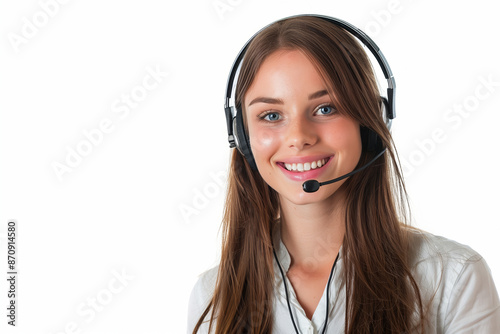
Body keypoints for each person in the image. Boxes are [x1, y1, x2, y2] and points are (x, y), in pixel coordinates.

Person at [187, 15, 500, 333]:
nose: (299, 137)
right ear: (242, 136)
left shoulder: (453, 279)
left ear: (369, 124)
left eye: (325, 109)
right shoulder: (213, 297)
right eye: (270, 115)